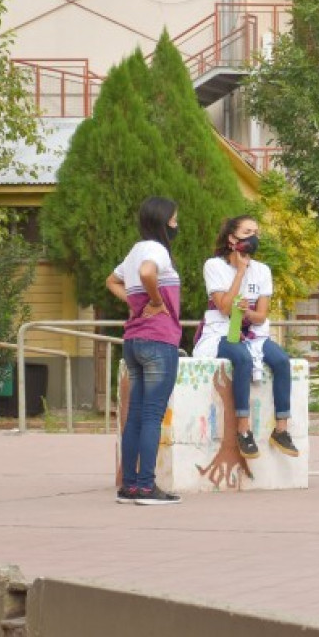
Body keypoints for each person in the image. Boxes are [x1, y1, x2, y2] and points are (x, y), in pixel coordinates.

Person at [193, 216, 300, 459]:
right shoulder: (214, 266)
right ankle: (243, 429)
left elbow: (261, 316)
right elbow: (222, 307)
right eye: (247, 232)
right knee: (240, 358)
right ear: (232, 238)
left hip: (253, 333)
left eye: (256, 232)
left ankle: (281, 429)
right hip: (221, 330)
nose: (253, 237)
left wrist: (246, 312)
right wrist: (240, 272)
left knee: (282, 360)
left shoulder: (262, 271)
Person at [106, 197, 184, 506]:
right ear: (163, 221)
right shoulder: (156, 250)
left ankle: (129, 486)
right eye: (174, 220)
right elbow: (150, 273)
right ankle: (146, 486)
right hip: (159, 340)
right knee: (152, 415)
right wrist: (154, 301)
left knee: (136, 416)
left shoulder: (135, 250)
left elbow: (111, 281)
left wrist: (134, 302)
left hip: (134, 341)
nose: (177, 225)